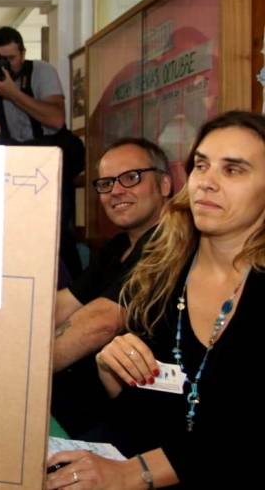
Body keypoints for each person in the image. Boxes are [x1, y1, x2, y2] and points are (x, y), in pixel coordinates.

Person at [47, 111, 265, 489]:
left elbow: (242, 436)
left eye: (233, 170)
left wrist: (134, 473)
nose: (207, 183)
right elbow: (149, 412)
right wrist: (110, 368)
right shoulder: (164, 272)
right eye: (201, 166)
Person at [50, 138, 172, 437]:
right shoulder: (118, 246)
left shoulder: (170, 241)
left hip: (140, 416)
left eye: (132, 178)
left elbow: (101, 324)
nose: (116, 191)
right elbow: (63, 305)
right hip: (87, 399)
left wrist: (15, 372)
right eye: (106, 183)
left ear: (165, 185)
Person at [0, 26, 81, 278]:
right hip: (15, 161)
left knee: (56, 228)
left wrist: (13, 94)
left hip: (50, 158)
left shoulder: (41, 71)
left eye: (11, 58)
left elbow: (56, 119)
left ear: (23, 55)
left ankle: (68, 281)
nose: (5, 64)